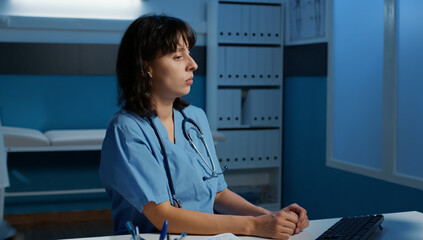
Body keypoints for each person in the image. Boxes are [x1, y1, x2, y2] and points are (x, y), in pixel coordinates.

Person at [99, 14, 309, 239]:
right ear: (146, 67)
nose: (193, 64)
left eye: (189, 53)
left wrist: (272, 217)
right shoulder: (126, 130)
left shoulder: (195, 118)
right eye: (178, 56)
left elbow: (219, 195)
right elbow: (162, 216)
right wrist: (255, 226)